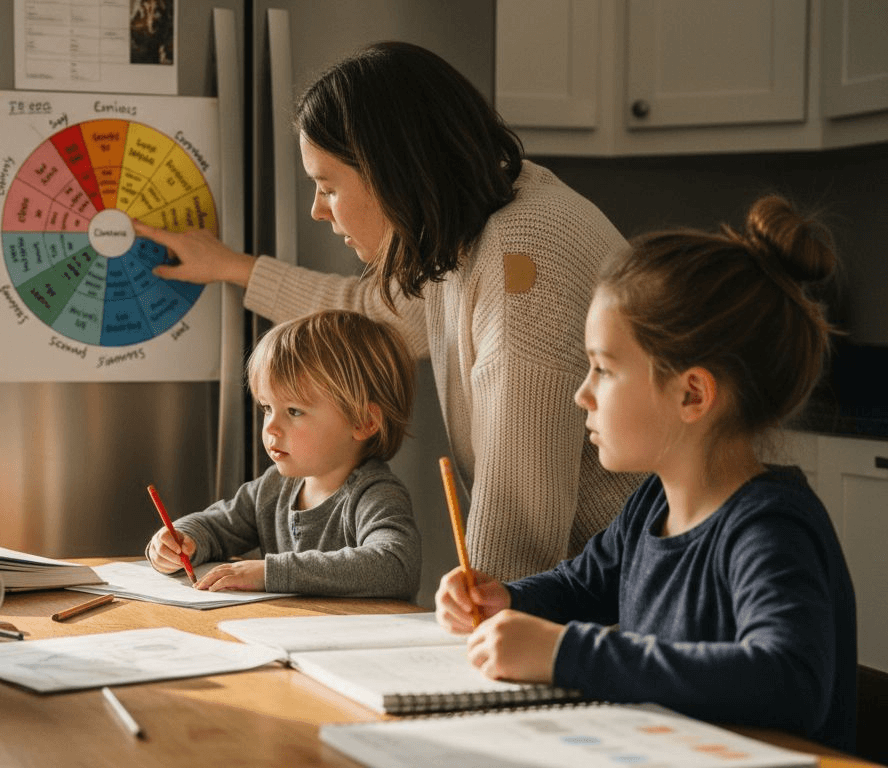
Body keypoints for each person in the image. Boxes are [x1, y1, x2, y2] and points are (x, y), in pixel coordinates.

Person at [137, 40, 640, 584]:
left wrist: (482, 628)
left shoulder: (523, 255)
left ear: (391, 171)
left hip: (633, 590)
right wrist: (231, 267)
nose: (317, 209)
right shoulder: (479, 219)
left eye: (328, 186)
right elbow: (368, 313)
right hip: (598, 584)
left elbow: (517, 517)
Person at [436, 195, 857, 751]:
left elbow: (788, 680)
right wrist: (506, 600)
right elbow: (582, 585)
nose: (581, 392)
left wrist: (565, 654)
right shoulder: (651, 506)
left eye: (603, 369)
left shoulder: (770, 530)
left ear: (691, 394)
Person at [145, 309, 422, 601]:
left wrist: (270, 573)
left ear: (362, 422)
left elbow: (396, 565)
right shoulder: (273, 487)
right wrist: (179, 541)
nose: (271, 428)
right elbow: (216, 526)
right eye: (267, 408)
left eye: (294, 411)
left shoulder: (374, 495)